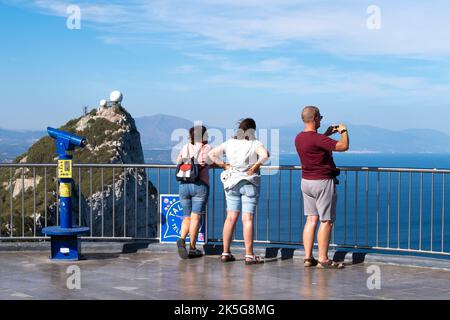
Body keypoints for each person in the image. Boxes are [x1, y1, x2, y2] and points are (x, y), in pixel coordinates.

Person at [209, 118, 269, 265]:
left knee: (230, 218)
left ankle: (225, 252)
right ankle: (249, 255)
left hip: (231, 183)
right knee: (247, 219)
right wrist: (255, 167)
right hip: (249, 183)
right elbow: (265, 156)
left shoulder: (229, 143)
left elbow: (211, 154)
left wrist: (224, 165)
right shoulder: (255, 143)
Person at [295, 106, 349, 269]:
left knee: (311, 219)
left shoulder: (299, 138)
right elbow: (343, 146)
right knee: (326, 221)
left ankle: (307, 257)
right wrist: (343, 131)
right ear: (316, 118)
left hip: (306, 182)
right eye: (320, 117)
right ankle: (324, 259)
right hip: (322, 182)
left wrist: (326, 134)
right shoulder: (317, 139)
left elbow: (316, 145)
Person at [176, 125, 212, 259]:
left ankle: (181, 238)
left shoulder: (185, 147)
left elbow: (179, 162)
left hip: (183, 184)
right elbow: (210, 161)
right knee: (195, 217)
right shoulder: (206, 148)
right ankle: (192, 248)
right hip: (200, 185)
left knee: (187, 217)